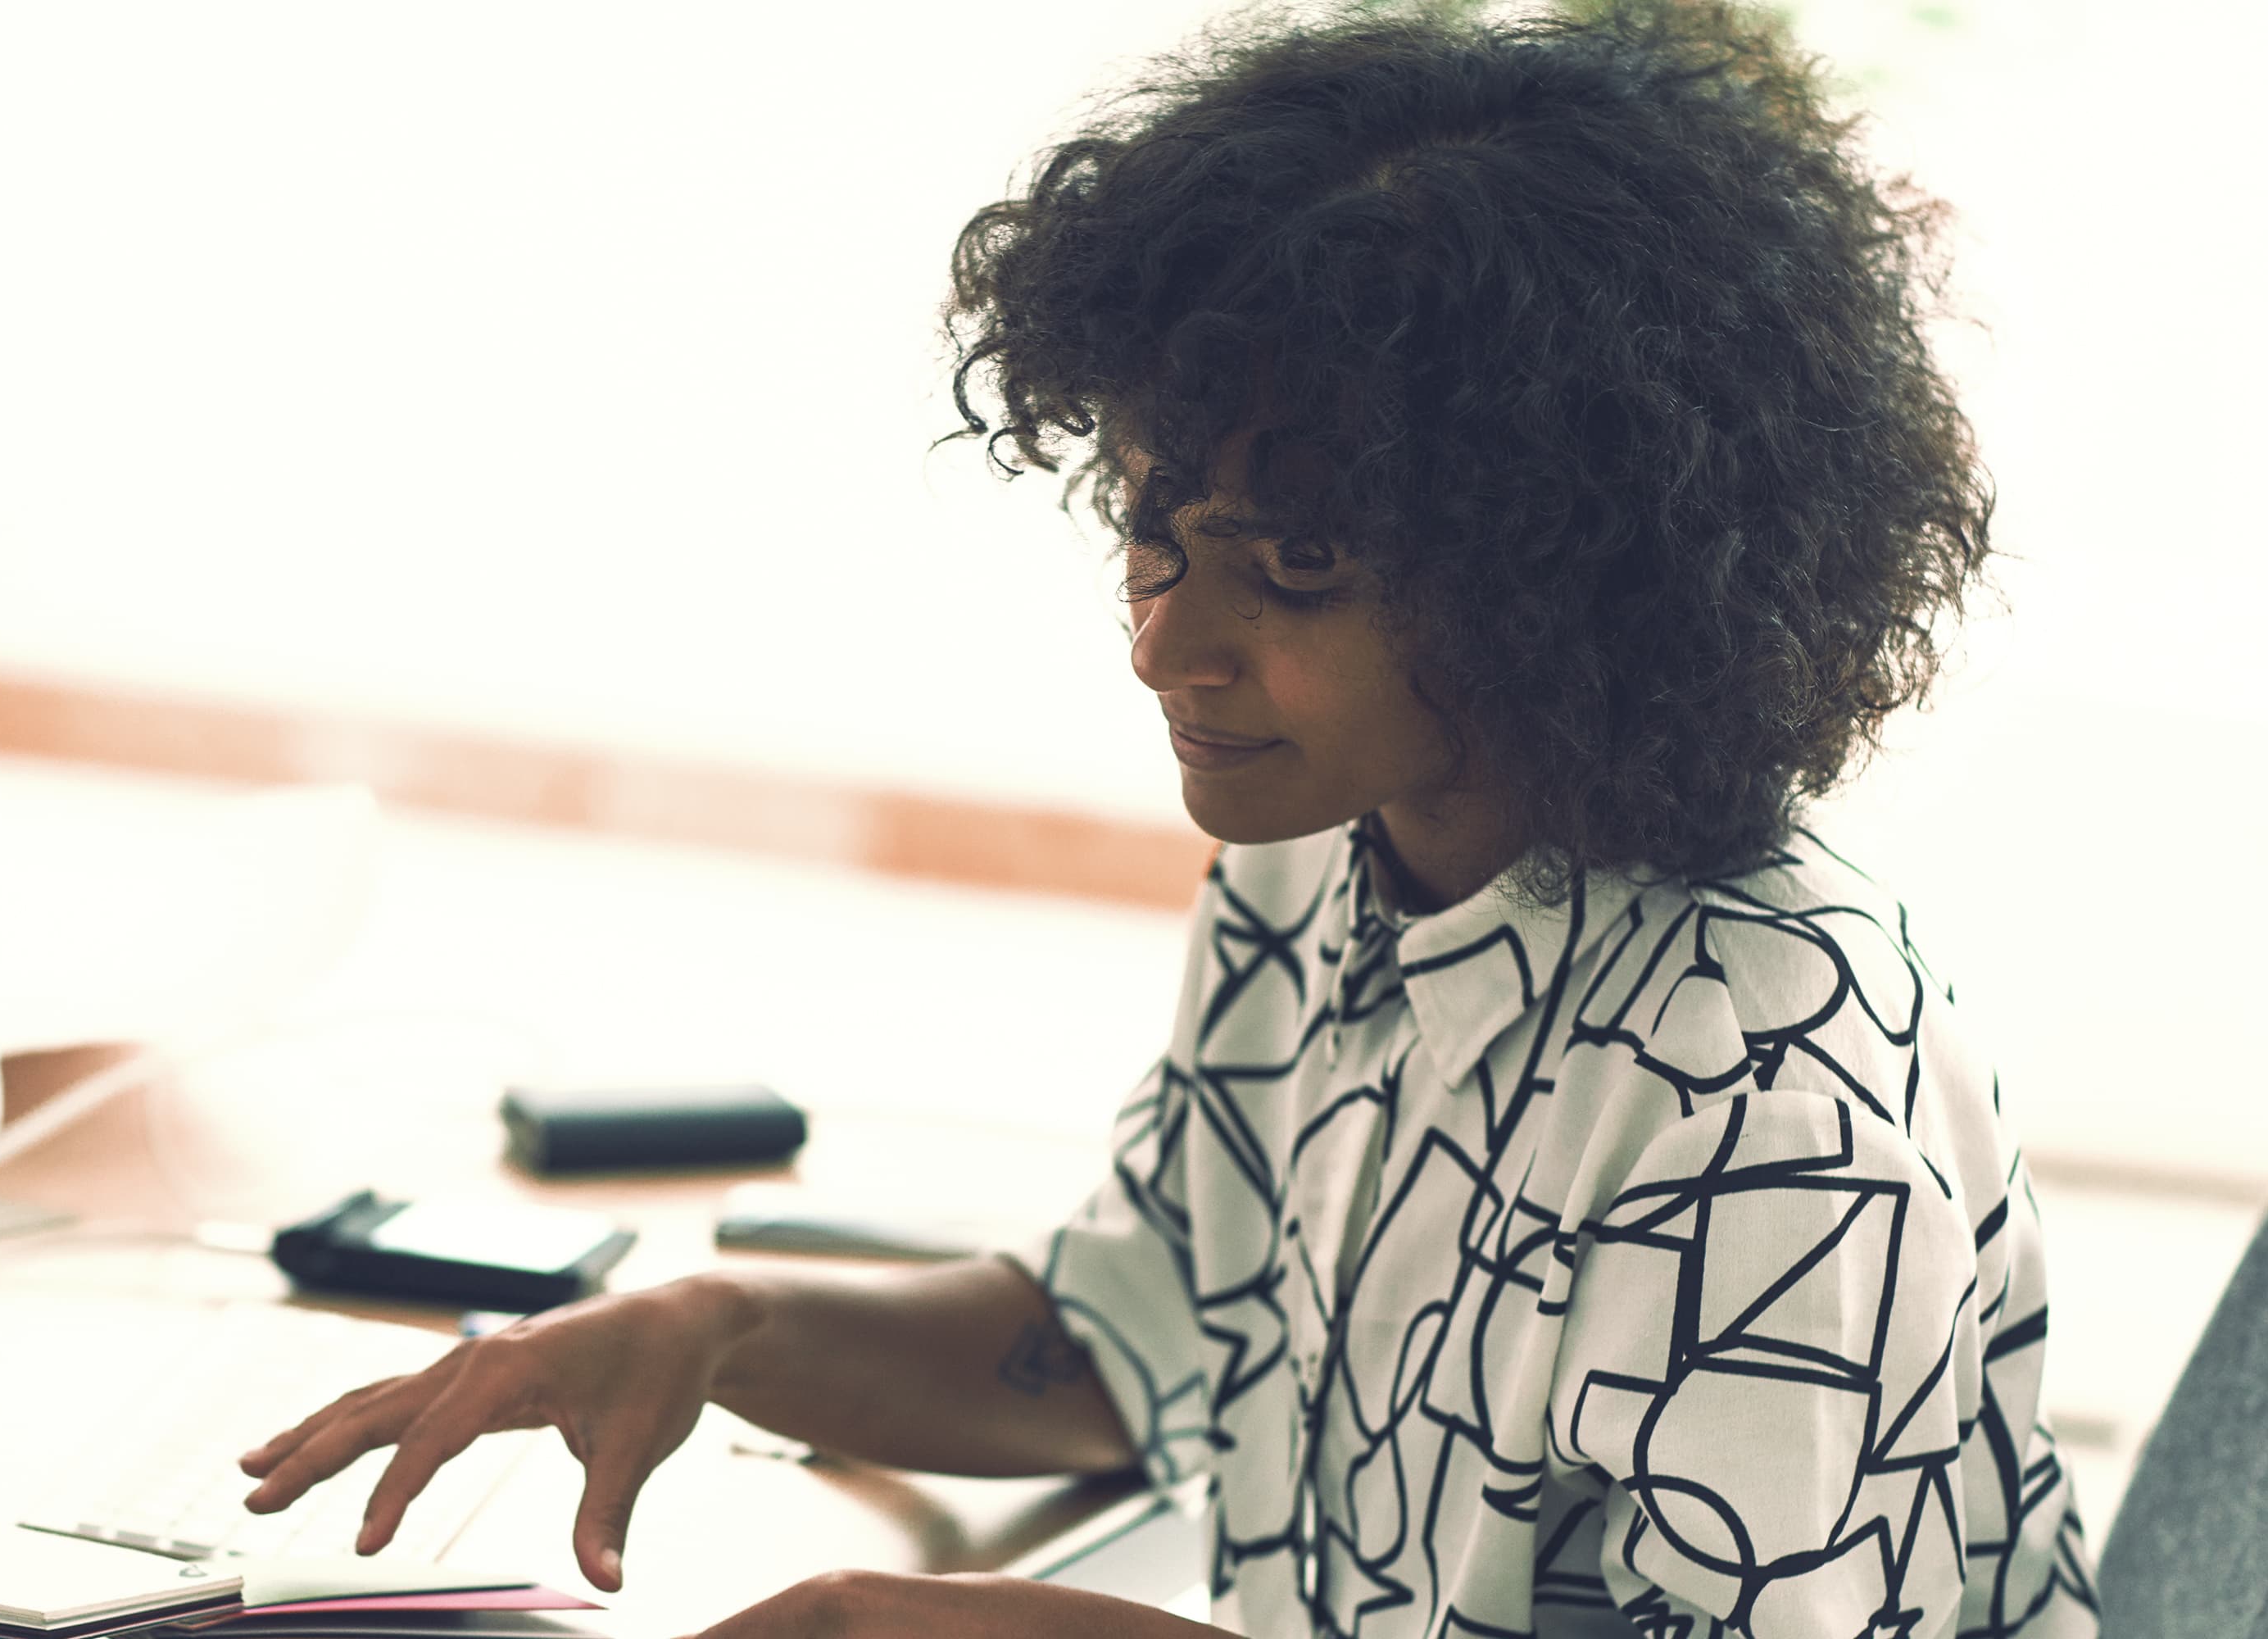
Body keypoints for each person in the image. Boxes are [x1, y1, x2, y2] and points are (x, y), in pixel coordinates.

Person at [238, 2, 2098, 1633]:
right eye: (1149, 526)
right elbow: (1139, 1332)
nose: (1164, 646)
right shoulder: (1313, 865)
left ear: (1558, 575)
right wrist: (715, 1327)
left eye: (1291, 568)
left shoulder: (1759, 1095)